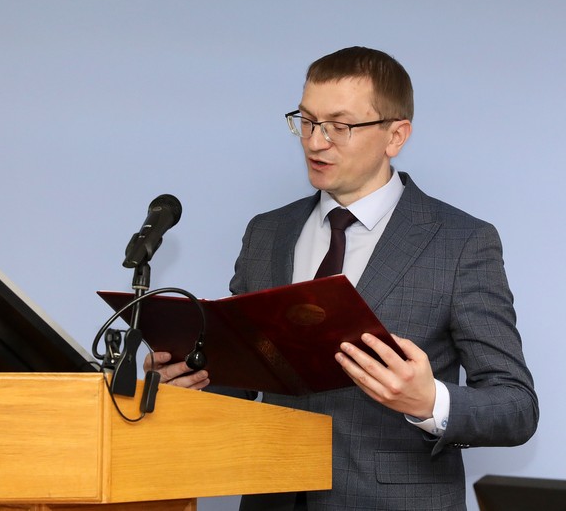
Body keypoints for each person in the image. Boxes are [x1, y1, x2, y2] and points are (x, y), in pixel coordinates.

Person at [146, 46, 539, 510]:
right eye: (307, 121)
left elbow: (517, 407)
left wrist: (429, 400)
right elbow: (247, 379)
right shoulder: (266, 232)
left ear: (396, 136)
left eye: (340, 125)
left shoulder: (461, 242)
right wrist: (189, 380)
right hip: (273, 496)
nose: (315, 142)